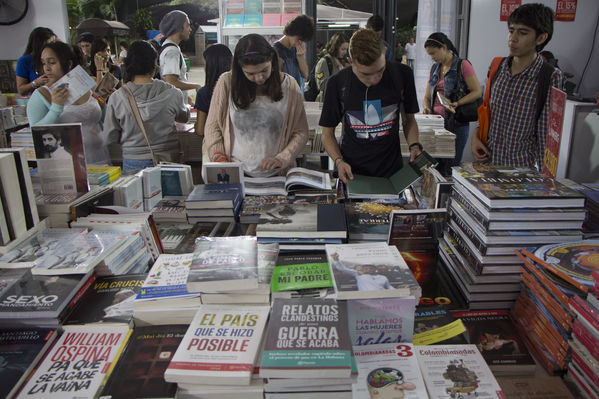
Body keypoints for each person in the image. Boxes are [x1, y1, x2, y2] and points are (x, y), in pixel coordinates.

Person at [319, 29, 421, 183]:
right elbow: (327, 134)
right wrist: (338, 161)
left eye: (380, 71)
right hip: (352, 173)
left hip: (391, 173)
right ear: (350, 61)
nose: (374, 80)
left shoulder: (402, 75)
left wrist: (414, 145)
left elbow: (409, 120)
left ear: (384, 52)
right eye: (365, 74)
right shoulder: (337, 83)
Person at [471, 3, 562, 170]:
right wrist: (476, 136)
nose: (513, 38)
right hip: (487, 166)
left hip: (520, 170)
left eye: (523, 33)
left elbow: (546, 135)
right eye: (511, 31)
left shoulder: (549, 76)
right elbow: (487, 112)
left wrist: (545, 181)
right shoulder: (497, 66)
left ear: (541, 38)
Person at [204, 33, 309, 177]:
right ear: (240, 68)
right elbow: (213, 126)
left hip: (278, 174)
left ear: (272, 58)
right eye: (250, 73)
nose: (259, 78)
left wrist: (282, 158)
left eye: (264, 70)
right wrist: (219, 156)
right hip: (237, 172)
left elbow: (301, 132)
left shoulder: (290, 86)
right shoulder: (226, 82)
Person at [103, 40, 189, 173]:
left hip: (133, 162)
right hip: (168, 160)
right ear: (154, 64)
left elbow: (110, 137)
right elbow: (184, 117)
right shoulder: (173, 93)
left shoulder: (117, 98)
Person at [26, 42, 109, 165]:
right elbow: (37, 135)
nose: (47, 68)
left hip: (101, 158)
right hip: (70, 166)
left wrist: (103, 101)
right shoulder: (41, 95)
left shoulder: (84, 84)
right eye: (44, 63)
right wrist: (56, 107)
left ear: (69, 63)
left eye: (52, 62)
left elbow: (102, 120)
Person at [422, 32, 482, 175]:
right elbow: (427, 97)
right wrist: (426, 108)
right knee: (433, 165)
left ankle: (446, 196)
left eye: (433, 53)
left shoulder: (462, 65)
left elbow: (477, 92)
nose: (432, 58)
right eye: (429, 55)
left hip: (456, 123)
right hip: (435, 124)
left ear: (444, 47)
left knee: (450, 166)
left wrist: (458, 103)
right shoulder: (435, 68)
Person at [158, 10, 202, 94]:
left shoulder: (169, 47)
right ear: (178, 27)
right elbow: (171, 82)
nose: (190, 29)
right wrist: (196, 86)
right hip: (173, 105)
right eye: (187, 25)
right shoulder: (172, 51)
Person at [194, 44, 232, 136]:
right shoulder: (239, 89)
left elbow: (200, 130)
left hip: (215, 145)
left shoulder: (204, 93)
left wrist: (195, 125)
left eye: (204, 64)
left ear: (210, 66)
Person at [273, 14, 315, 89]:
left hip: (295, 94)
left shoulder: (295, 49)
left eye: (302, 40)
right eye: (299, 38)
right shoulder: (275, 51)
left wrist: (300, 57)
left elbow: (305, 74)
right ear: (292, 31)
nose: (300, 42)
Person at [16, 27, 56, 96]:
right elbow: (21, 90)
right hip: (38, 100)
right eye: (49, 44)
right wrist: (36, 83)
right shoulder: (25, 60)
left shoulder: (56, 57)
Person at [314, 33, 348, 102]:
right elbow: (321, 85)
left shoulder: (342, 62)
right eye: (343, 49)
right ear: (335, 47)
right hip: (326, 101)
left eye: (346, 49)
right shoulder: (324, 62)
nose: (345, 52)